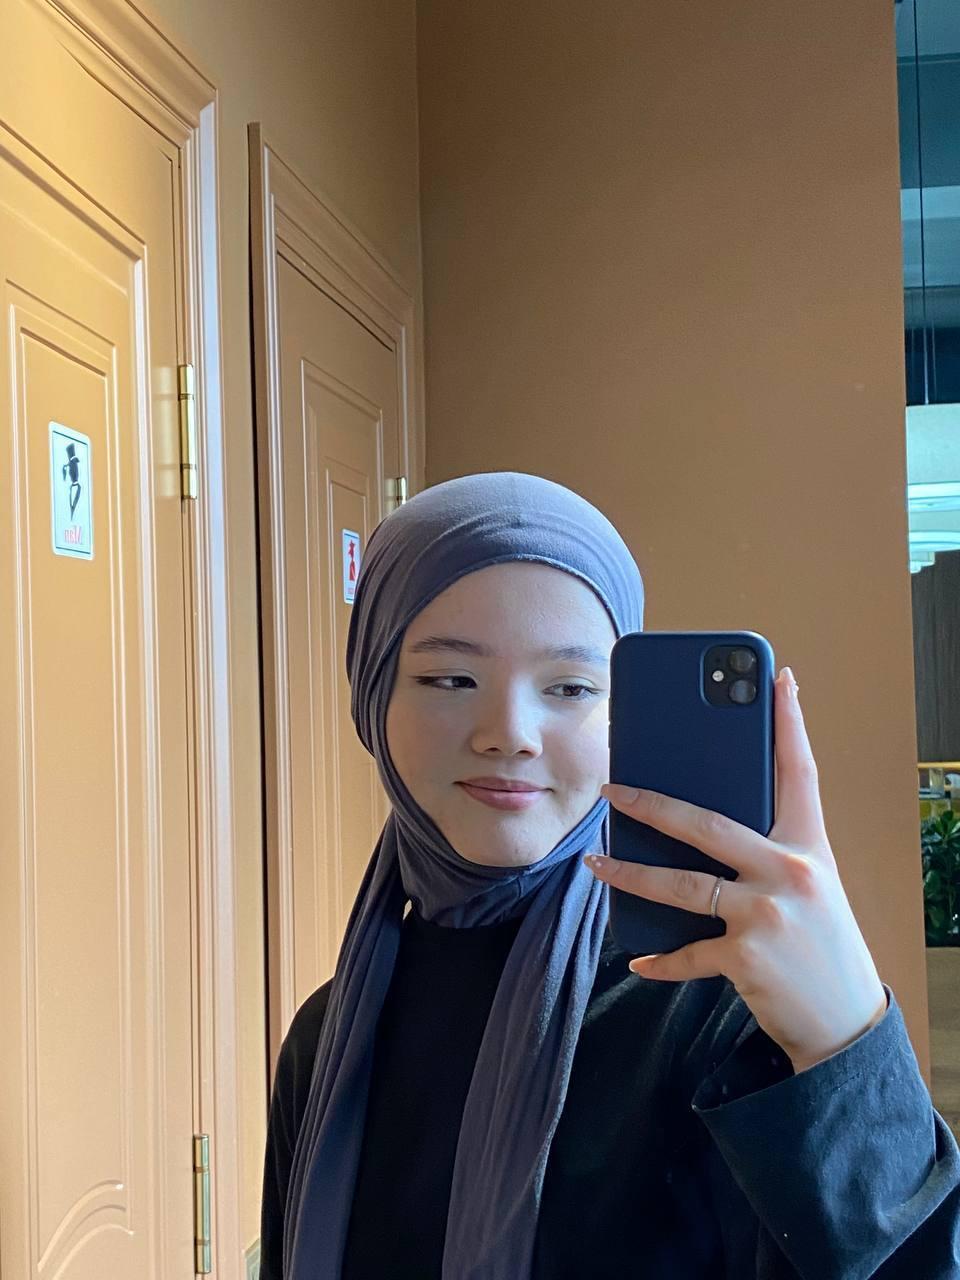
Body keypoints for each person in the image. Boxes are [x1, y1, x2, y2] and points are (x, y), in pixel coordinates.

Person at [259, 471, 960, 1279]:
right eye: (450, 679)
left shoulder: (721, 1016)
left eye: (570, 688)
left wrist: (846, 1043)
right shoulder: (328, 1041)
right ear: (371, 698)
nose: (511, 733)